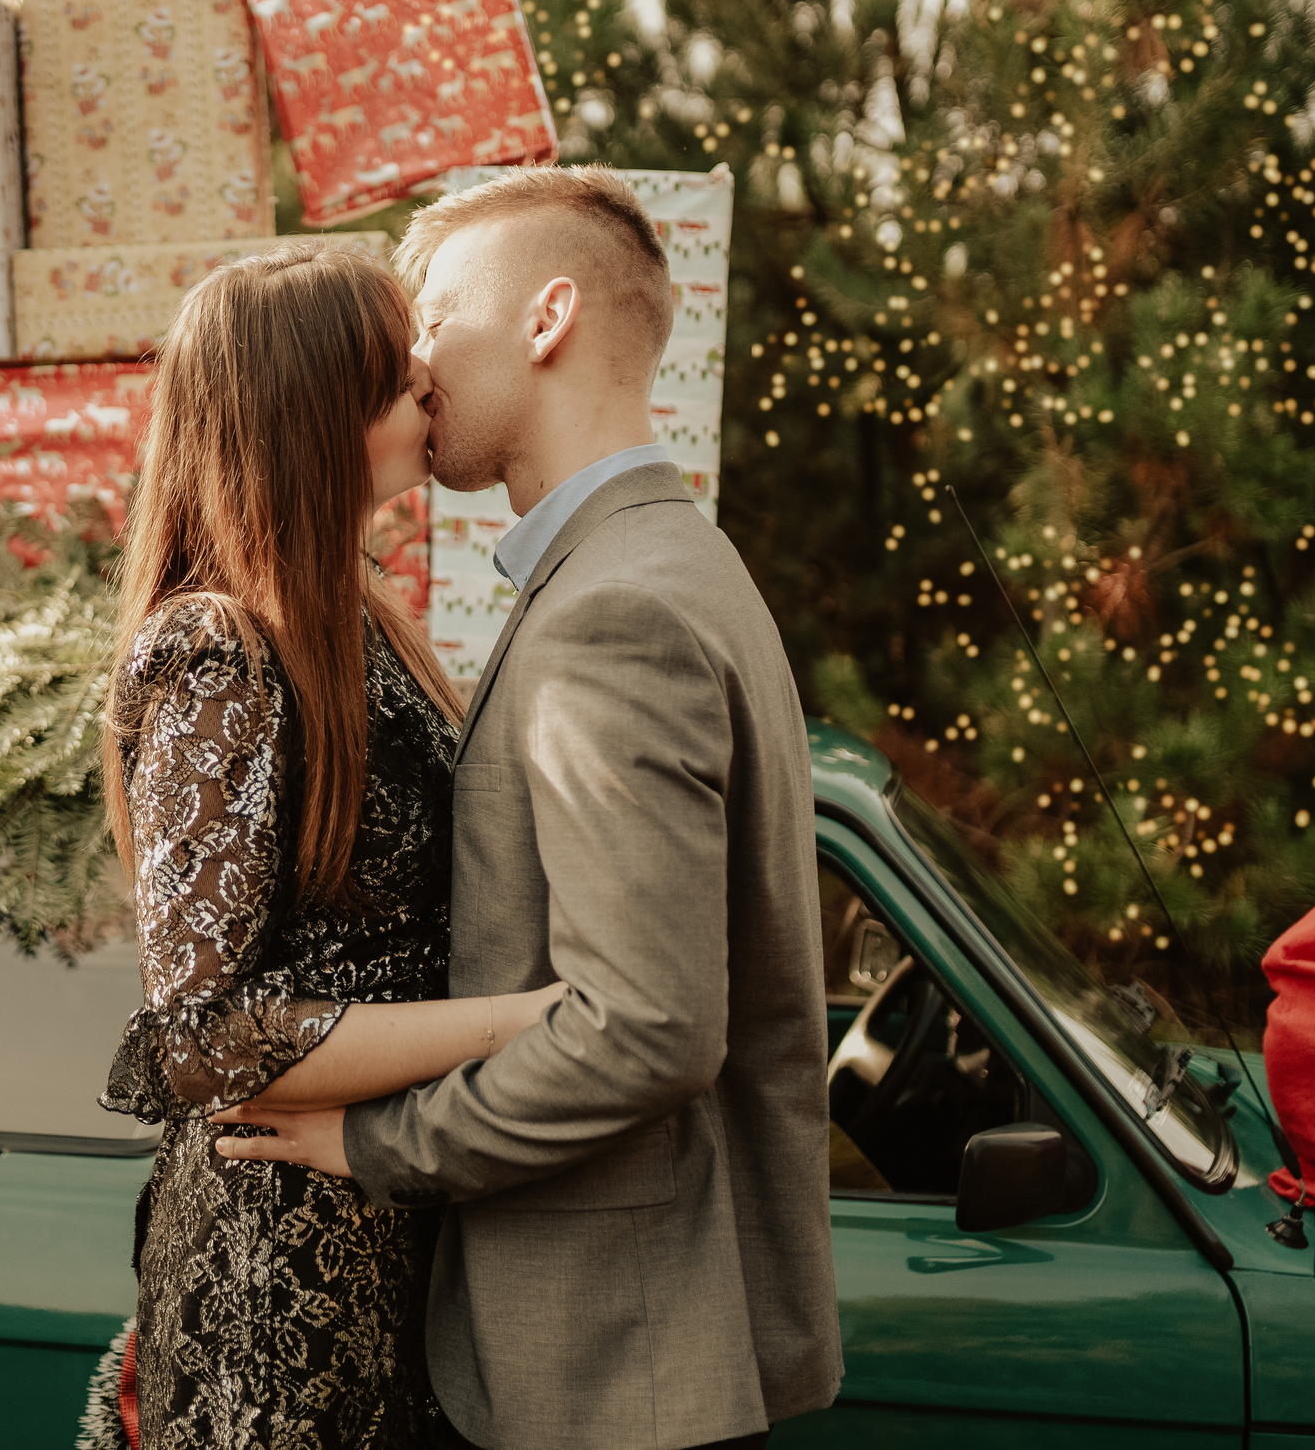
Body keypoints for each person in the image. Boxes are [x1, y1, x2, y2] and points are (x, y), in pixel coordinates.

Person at [214, 167, 844, 1450]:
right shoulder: (673, 559)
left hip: (613, 1367)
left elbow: (647, 1029)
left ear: (547, 318)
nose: (416, 357)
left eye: (436, 314)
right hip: (647, 1356)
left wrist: (376, 1142)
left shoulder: (614, 611)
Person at [85, 244, 566, 1450]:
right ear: (310, 410)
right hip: (279, 1268)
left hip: (384, 1214)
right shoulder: (216, 651)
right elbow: (197, 1036)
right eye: (390, 374)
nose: (426, 388)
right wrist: (531, 1021)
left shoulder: (360, 624)